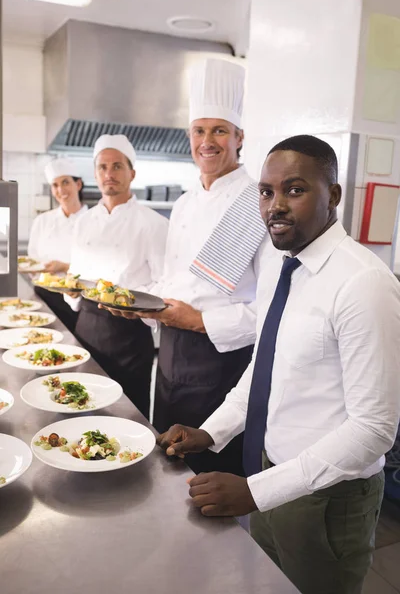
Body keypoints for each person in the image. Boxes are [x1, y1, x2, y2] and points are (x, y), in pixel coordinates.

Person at [156, 135, 400, 594]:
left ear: (333, 196)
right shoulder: (281, 267)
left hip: (327, 497)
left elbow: (374, 429)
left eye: (294, 189)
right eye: (266, 192)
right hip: (272, 473)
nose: (275, 206)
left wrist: (255, 492)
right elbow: (266, 369)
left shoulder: (364, 284)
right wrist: (213, 431)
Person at [105, 59, 267, 476]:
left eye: (219, 130)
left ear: (239, 137)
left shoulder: (258, 202)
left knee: (211, 477)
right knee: (169, 465)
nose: (207, 141)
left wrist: (198, 321)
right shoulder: (184, 202)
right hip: (172, 357)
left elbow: (269, 313)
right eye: (199, 130)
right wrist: (138, 304)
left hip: (221, 363)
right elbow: (175, 281)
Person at [65, 134, 169, 419]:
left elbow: (164, 285)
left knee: (127, 417)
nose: (109, 174)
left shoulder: (154, 224)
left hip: (129, 336)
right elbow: (74, 274)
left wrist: (133, 303)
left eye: (117, 166)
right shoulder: (83, 222)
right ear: (95, 174)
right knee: (80, 408)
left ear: (131, 173)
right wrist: (70, 290)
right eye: (102, 167)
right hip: (85, 328)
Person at [28, 157, 88, 332]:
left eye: (65, 182)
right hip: (44, 298)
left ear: (78, 184)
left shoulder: (93, 222)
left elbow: (102, 268)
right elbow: (32, 262)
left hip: (82, 301)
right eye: (55, 185)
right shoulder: (42, 221)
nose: (61, 189)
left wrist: (64, 266)